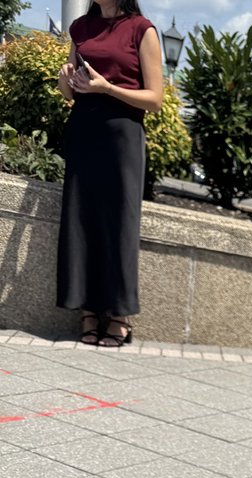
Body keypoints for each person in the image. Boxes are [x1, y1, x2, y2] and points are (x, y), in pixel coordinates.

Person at [56, 0, 163, 346]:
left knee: (119, 222)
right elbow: (71, 93)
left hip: (122, 135)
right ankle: (87, 310)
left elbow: (155, 99)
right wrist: (64, 83)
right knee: (80, 219)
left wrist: (109, 89)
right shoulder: (81, 29)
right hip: (84, 129)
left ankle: (119, 314)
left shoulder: (141, 29)